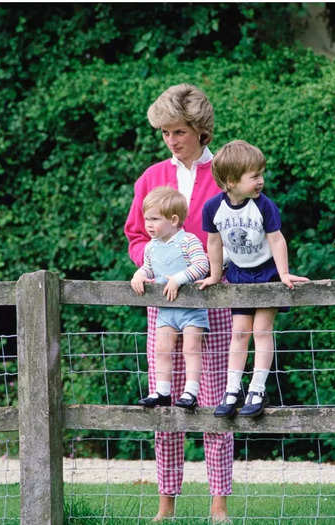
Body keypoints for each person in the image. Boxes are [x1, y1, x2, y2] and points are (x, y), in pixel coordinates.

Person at [123, 83, 232, 522]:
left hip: (216, 303)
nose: (171, 139)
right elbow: (135, 235)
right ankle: (165, 504)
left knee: (213, 404)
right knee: (165, 403)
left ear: (200, 130)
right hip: (164, 308)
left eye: (178, 131)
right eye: (165, 132)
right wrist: (150, 266)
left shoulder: (226, 172)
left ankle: (219, 504)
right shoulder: (152, 178)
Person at [199, 140, 309, 418]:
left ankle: (257, 388)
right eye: (254, 176)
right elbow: (214, 243)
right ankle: (232, 389)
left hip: (266, 272)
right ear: (231, 181)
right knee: (238, 333)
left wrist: (283, 273)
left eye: (261, 174)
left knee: (261, 331)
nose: (261, 181)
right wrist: (214, 274)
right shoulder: (213, 209)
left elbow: (276, 239)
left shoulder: (264, 206)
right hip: (238, 274)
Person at [131, 187, 210, 410]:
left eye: (154, 219)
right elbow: (148, 268)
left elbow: (202, 265)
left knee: (191, 349)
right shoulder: (150, 247)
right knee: (162, 349)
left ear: (174, 219)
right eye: (146, 219)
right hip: (166, 311)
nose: (148, 224)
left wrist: (179, 278)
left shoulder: (188, 241)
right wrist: (139, 274)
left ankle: (190, 392)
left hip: (191, 309)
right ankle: (162, 392)